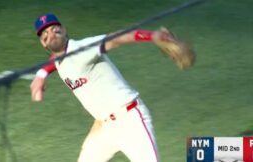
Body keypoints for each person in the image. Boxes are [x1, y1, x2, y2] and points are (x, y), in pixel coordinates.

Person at [30, 13, 176, 162]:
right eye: (45, 34)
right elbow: (56, 58)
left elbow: (117, 38)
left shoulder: (83, 49)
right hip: (103, 128)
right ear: (43, 43)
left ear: (64, 30)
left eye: (55, 29)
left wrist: (153, 36)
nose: (52, 35)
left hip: (130, 120)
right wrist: (42, 74)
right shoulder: (59, 59)